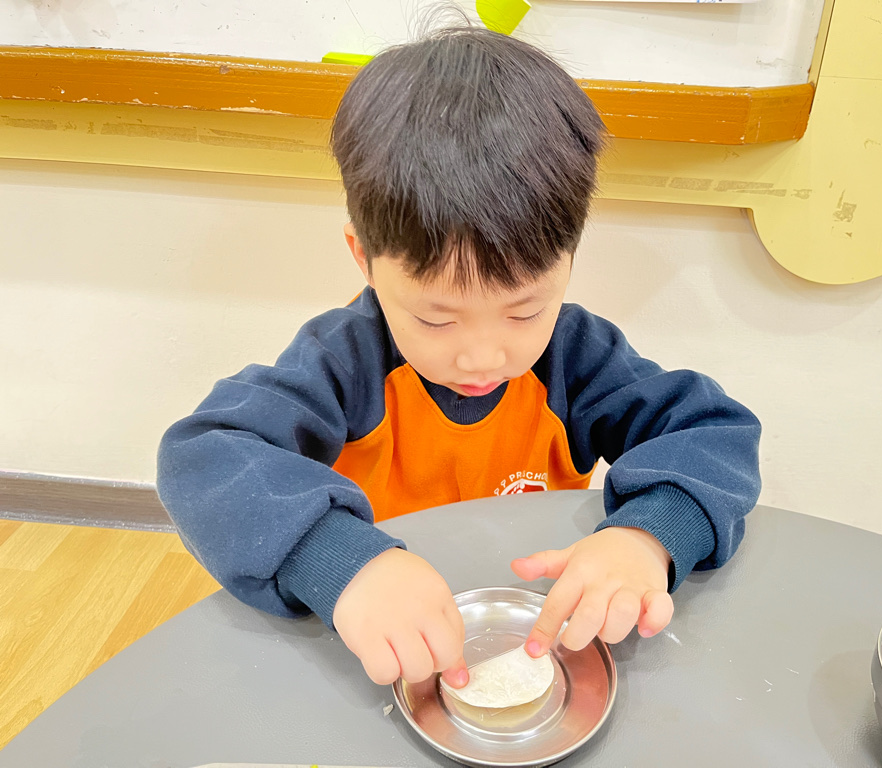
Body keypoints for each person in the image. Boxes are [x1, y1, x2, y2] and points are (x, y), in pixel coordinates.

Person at [156, 26, 761, 691]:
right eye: (436, 318)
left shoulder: (577, 357)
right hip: (379, 647)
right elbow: (205, 457)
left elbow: (714, 433)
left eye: (524, 311)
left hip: (533, 633)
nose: (482, 356)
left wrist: (647, 537)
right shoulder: (345, 360)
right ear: (365, 259)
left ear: (569, 259)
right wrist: (341, 564)